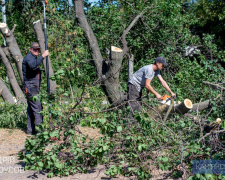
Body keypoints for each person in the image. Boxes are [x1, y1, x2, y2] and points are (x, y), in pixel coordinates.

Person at [22, 42, 49, 135]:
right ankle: (40, 132)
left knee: (31, 109)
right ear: (30, 49)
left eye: (38, 49)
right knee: (37, 108)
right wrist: (43, 56)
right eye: (34, 49)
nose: (36, 51)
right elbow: (33, 65)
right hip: (30, 87)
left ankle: (30, 130)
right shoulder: (29, 58)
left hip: (32, 87)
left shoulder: (33, 57)